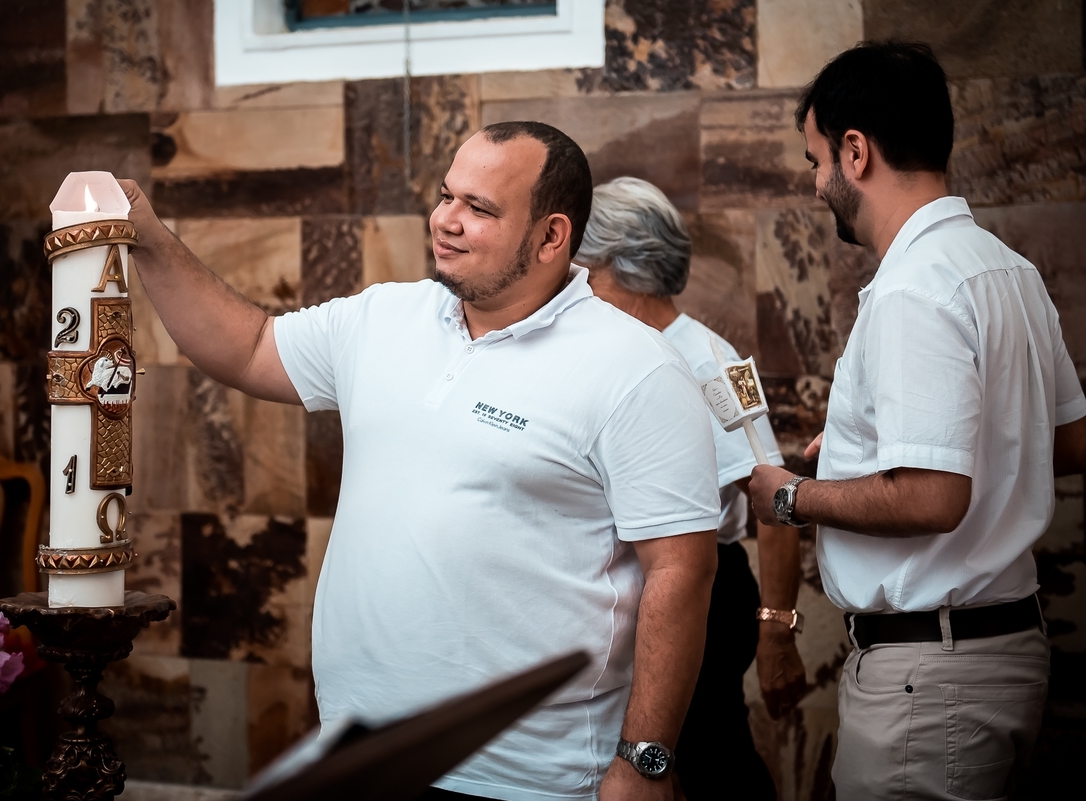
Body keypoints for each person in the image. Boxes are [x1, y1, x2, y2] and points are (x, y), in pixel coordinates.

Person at [121, 121, 722, 801]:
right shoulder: (383, 318)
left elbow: (681, 566)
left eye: (480, 209)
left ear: (553, 236)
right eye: (446, 196)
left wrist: (644, 759)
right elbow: (248, 345)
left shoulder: (636, 368)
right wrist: (148, 237)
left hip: (530, 780)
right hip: (360, 755)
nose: (446, 221)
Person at [746, 42, 1086, 800]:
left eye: (815, 161)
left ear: (855, 153)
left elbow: (932, 496)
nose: (815, 185)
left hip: (932, 680)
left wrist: (791, 495)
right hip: (998, 654)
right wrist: (874, 452)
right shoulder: (1007, 267)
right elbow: (1066, 441)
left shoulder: (912, 288)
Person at [577, 177, 807, 801]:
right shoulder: (617, 351)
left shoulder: (710, 360)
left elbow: (773, 498)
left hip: (707, 588)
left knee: (714, 763)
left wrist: (776, 627)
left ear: (623, 266)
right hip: (640, 588)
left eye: (584, 268)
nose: (577, 285)